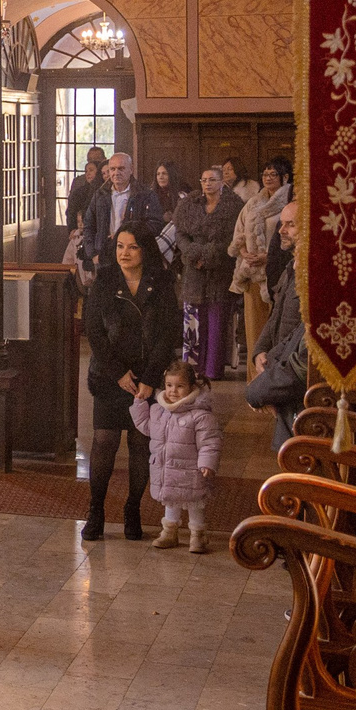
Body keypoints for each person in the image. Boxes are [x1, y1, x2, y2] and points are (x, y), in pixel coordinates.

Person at [83, 222, 180, 541]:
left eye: (132, 247)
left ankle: (132, 509)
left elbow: (168, 333)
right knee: (105, 441)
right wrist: (117, 372)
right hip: (111, 375)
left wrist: (151, 379)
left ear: (145, 250)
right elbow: (94, 331)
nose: (124, 253)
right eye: (120, 246)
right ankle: (96, 510)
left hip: (147, 376)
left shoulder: (162, 281)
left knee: (140, 445)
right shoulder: (105, 279)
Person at [129, 358, 221, 553]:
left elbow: (209, 442)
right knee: (171, 498)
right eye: (169, 385)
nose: (173, 391)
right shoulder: (158, 410)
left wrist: (207, 463)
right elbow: (146, 427)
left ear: (191, 386)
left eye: (180, 386)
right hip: (167, 468)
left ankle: (198, 535)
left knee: (194, 502)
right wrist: (139, 404)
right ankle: (169, 531)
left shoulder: (200, 415)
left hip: (191, 470)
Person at [173, 167, 243, 378]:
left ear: (222, 182)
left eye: (212, 180)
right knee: (193, 320)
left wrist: (210, 254)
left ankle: (212, 370)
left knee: (217, 322)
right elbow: (181, 234)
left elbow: (235, 237)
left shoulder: (234, 207)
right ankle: (192, 369)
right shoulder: (188, 206)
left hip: (220, 268)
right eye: (204, 180)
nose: (207, 184)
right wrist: (194, 253)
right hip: (193, 269)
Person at [248, 201, 307, 451]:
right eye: (281, 223)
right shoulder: (290, 268)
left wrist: (267, 384)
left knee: (296, 458)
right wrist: (260, 353)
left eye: (290, 225)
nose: (281, 230)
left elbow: (302, 333)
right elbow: (276, 318)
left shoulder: (312, 275)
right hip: (278, 369)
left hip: (294, 383)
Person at [230, 157, 292, 362]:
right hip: (252, 273)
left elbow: (290, 236)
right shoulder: (254, 202)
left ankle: (271, 381)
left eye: (273, 174)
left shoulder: (291, 201)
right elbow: (239, 230)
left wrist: (268, 256)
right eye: (265, 174)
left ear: (285, 177)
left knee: (275, 331)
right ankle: (252, 382)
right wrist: (243, 250)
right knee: (254, 333)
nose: (267, 178)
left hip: (276, 272)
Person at [80, 152, 164, 276]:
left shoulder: (145, 194)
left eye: (121, 168)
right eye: (112, 169)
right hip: (104, 257)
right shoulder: (100, 195)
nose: (116, 173)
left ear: (131, 169)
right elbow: (88, 225)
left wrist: (131, 234)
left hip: (134, 258)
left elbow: (155, 224)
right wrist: (93, 254)